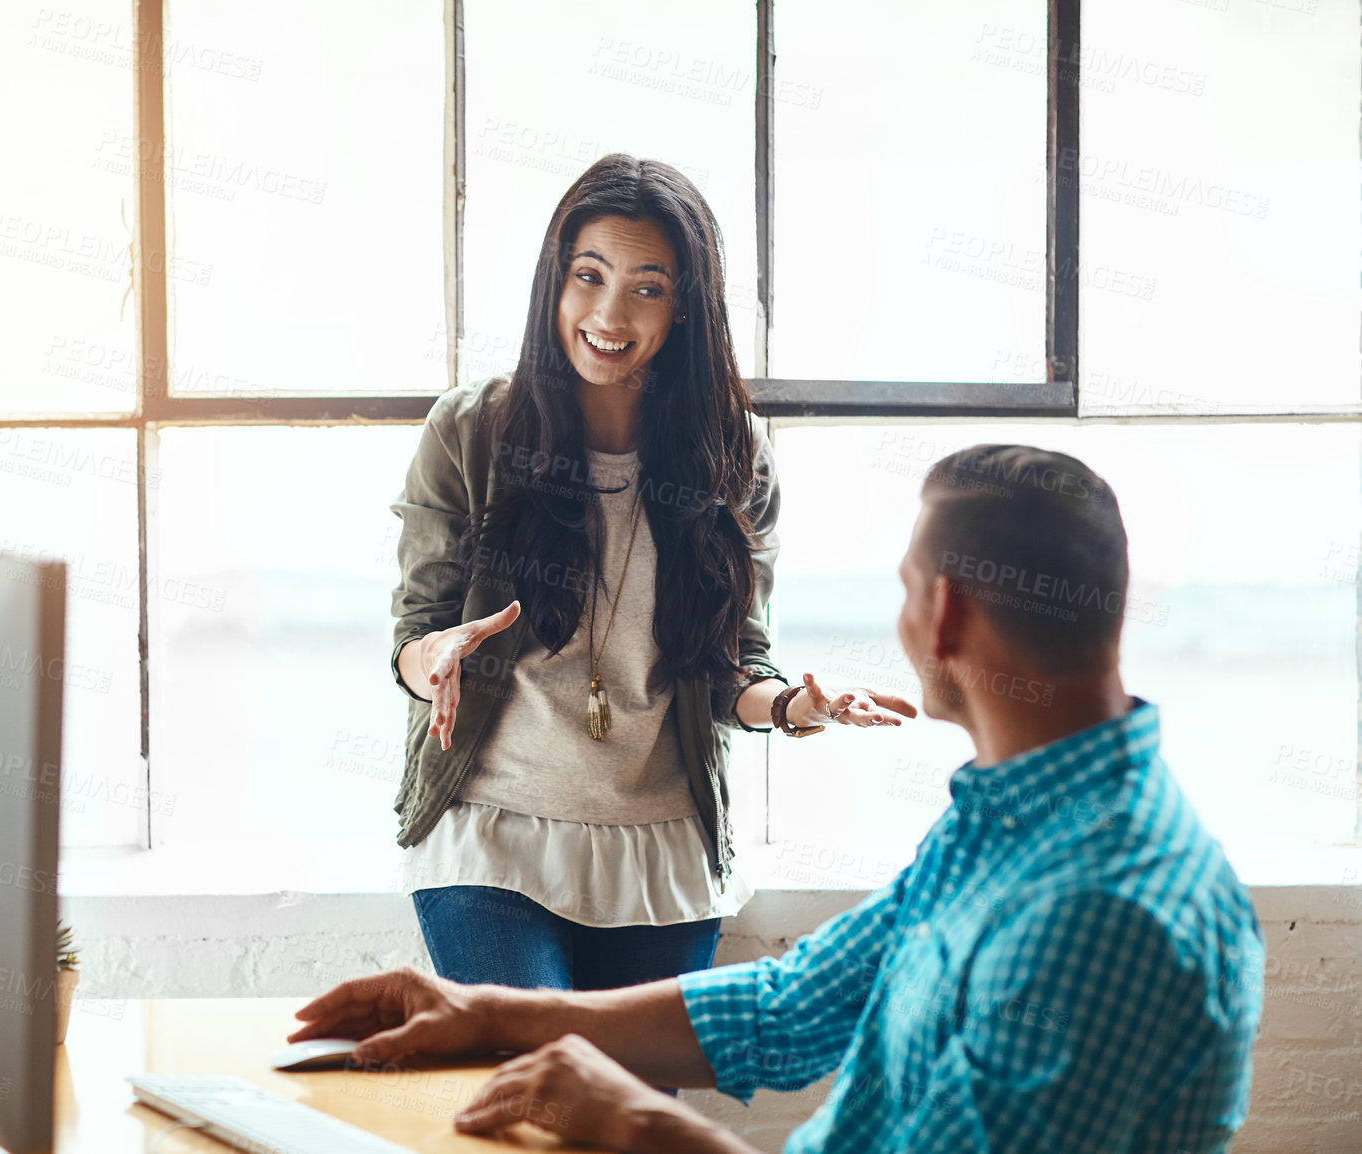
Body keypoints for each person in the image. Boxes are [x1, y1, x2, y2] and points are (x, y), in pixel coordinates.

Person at [314, 443, 1266, 1152]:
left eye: (905, 589)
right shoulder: (1021, 816)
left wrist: (638, 1123)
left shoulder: (1098, 916)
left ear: (948, 618)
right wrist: (484, 1012)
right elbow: (785, 1009)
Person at [388, 153, 914, 994]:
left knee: (631, 1122)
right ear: (552, 285)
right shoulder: (472, 431)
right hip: (489, 834)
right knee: (534, 1099)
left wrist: (791, 706)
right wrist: (433, 658)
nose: (608, 312)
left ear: (686, 308)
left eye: (648, 286)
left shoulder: (732, 457)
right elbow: (418, 635)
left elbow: (729, 664)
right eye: (587, 276)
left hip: (660, 849)